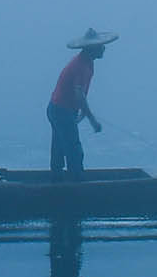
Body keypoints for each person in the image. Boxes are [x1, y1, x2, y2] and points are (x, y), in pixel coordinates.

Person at [46, 29, 115, 177]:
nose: (103, 48)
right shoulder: (81, 65)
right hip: (61, 111)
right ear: (92, 49)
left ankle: (56, 182)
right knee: (73, 150)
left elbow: (78, 94)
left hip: (56, 108)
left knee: (59, 148)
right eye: (100, 46)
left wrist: (82, 111)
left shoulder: (86, 62)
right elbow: (79, 95)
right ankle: (76, 185)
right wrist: (93, 120)